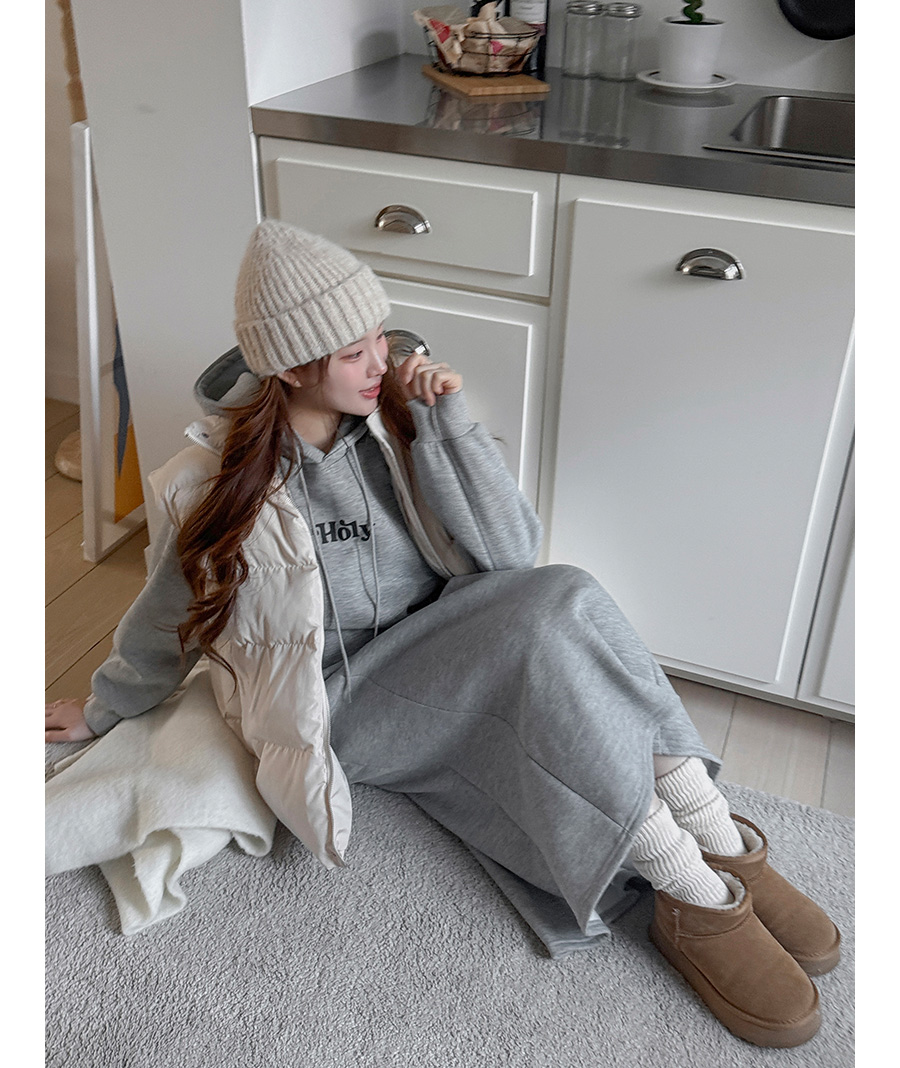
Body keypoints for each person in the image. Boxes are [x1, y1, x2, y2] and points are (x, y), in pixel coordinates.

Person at [46, 221, 839, 1048]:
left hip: (445, 644)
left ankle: (716, 838)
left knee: (562, 597)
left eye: (379, 336)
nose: (380, 361)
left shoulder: (394, 426)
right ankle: (690, 892)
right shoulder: (215, 485)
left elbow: (510, 556)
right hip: (347, 700)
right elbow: (165, 613)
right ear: (292, 367)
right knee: (543, 630)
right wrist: (104, 708)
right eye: (354, 352)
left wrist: (446, 427)